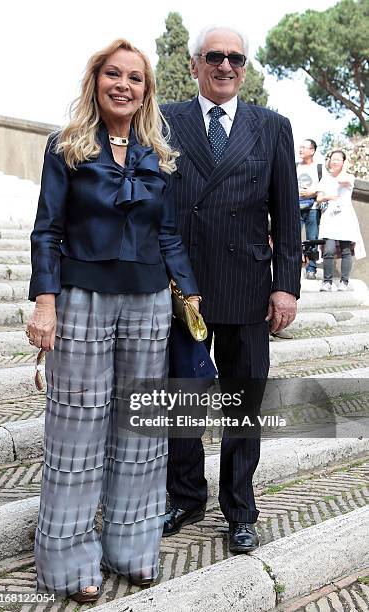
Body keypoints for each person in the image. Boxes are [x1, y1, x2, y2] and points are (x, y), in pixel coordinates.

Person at [26, 38, 200, 603]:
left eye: (136, 78)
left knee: (140, 434)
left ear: (147, 91)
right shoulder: (67, 147)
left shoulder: (159, 155)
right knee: (76, 434)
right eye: (113, 74)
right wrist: (45, 302)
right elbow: (47, 229)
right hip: (81, 298)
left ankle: (132, 548)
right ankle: (69, 562)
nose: (124, 85)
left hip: (148, 302)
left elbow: (168, 232)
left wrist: (189, 296)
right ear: (95, 80)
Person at [161, 26, 301, 554]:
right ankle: (186, 495)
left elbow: (287, 216)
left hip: (247, 286)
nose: (225, 66)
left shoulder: (273, 127)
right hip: (184, 289)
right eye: (214, 56)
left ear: (246, 67)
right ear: (195, 63)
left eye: (235, 58)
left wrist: (285, 286)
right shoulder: (165, 118)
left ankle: (240, 508)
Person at [316, 149, 366, 291]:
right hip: (329, 216)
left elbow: (344, 181)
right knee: (328, 250)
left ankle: (344, 281)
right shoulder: (325, 178)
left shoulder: (349, 177)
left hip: (345, 217)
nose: (335, 161)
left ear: (344, 162)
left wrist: (339, 172)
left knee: (346, 250)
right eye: (333, 158)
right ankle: (327, 282)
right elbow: (319, 198)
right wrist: (329, 197)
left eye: (338, 159)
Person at [297, 139, 323, 280]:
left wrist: (313, 191)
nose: (300, 150)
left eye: (304, 147)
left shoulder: (319, 168)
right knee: (293, 238)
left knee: (312, 239)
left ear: (312, 151)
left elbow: (326, 184)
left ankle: (311, 268)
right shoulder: (295, 166)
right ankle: (294, 265)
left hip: (313, 208)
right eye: (300, 147)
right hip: (295, 207)